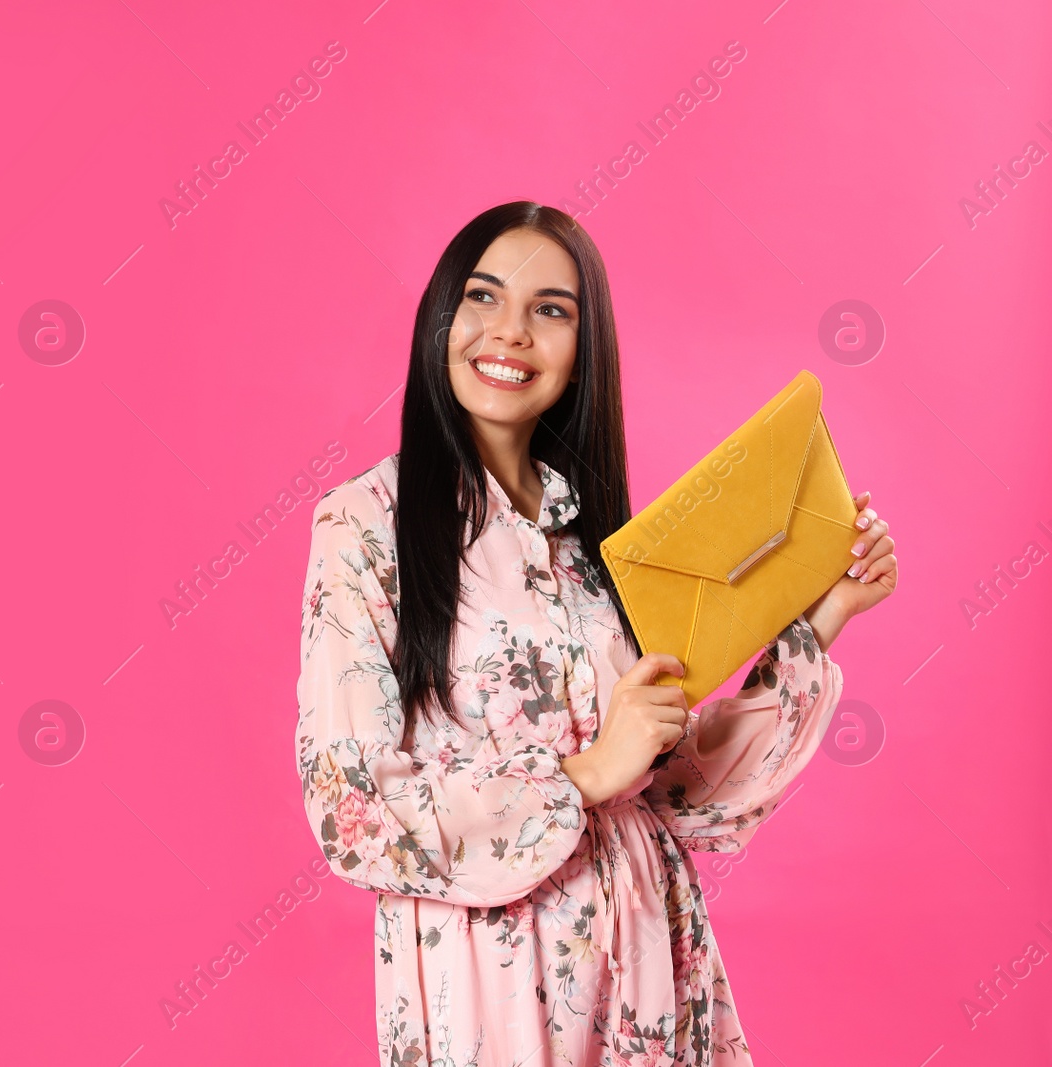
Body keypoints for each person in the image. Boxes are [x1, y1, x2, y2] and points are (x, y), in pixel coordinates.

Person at [294, 201, 896, 1066]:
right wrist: (580, 777)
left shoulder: (600, 540)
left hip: (651, 958)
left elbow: (683, 796)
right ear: (441, 318)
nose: (510, 333)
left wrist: (823, 612)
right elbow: (351, 809)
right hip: (494, 984)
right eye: (483, 296)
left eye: (551, 310)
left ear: (583, 352)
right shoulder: (365, 525)